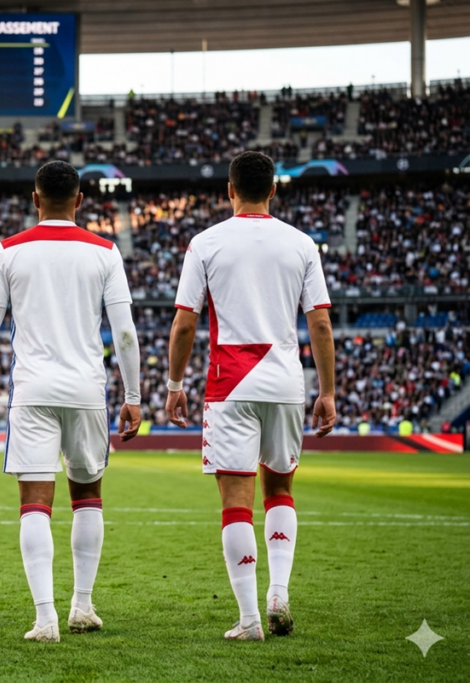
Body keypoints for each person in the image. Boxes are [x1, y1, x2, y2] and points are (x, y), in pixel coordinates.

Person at [164, 150, 336, 641]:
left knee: (236, 501)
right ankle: (278, 591)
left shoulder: (205, 243)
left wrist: (175, 385)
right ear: (274, 191)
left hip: (230, 382)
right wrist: (328, 391)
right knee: (280, 489)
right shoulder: (302, 244)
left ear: (230, 190)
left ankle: (249, 620)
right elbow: (319, 322)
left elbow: (184, 324)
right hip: (284, 379)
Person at [0, 160, 143, 643]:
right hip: (87, 389)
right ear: (80, 200)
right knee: (88, 496)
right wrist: (133, 395)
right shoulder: (105, 252)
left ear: (35, 198)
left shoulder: (8, 251)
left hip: (33, 390)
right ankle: (82, 606)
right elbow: (124, 333)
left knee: (34, 505)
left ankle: (45, 618)